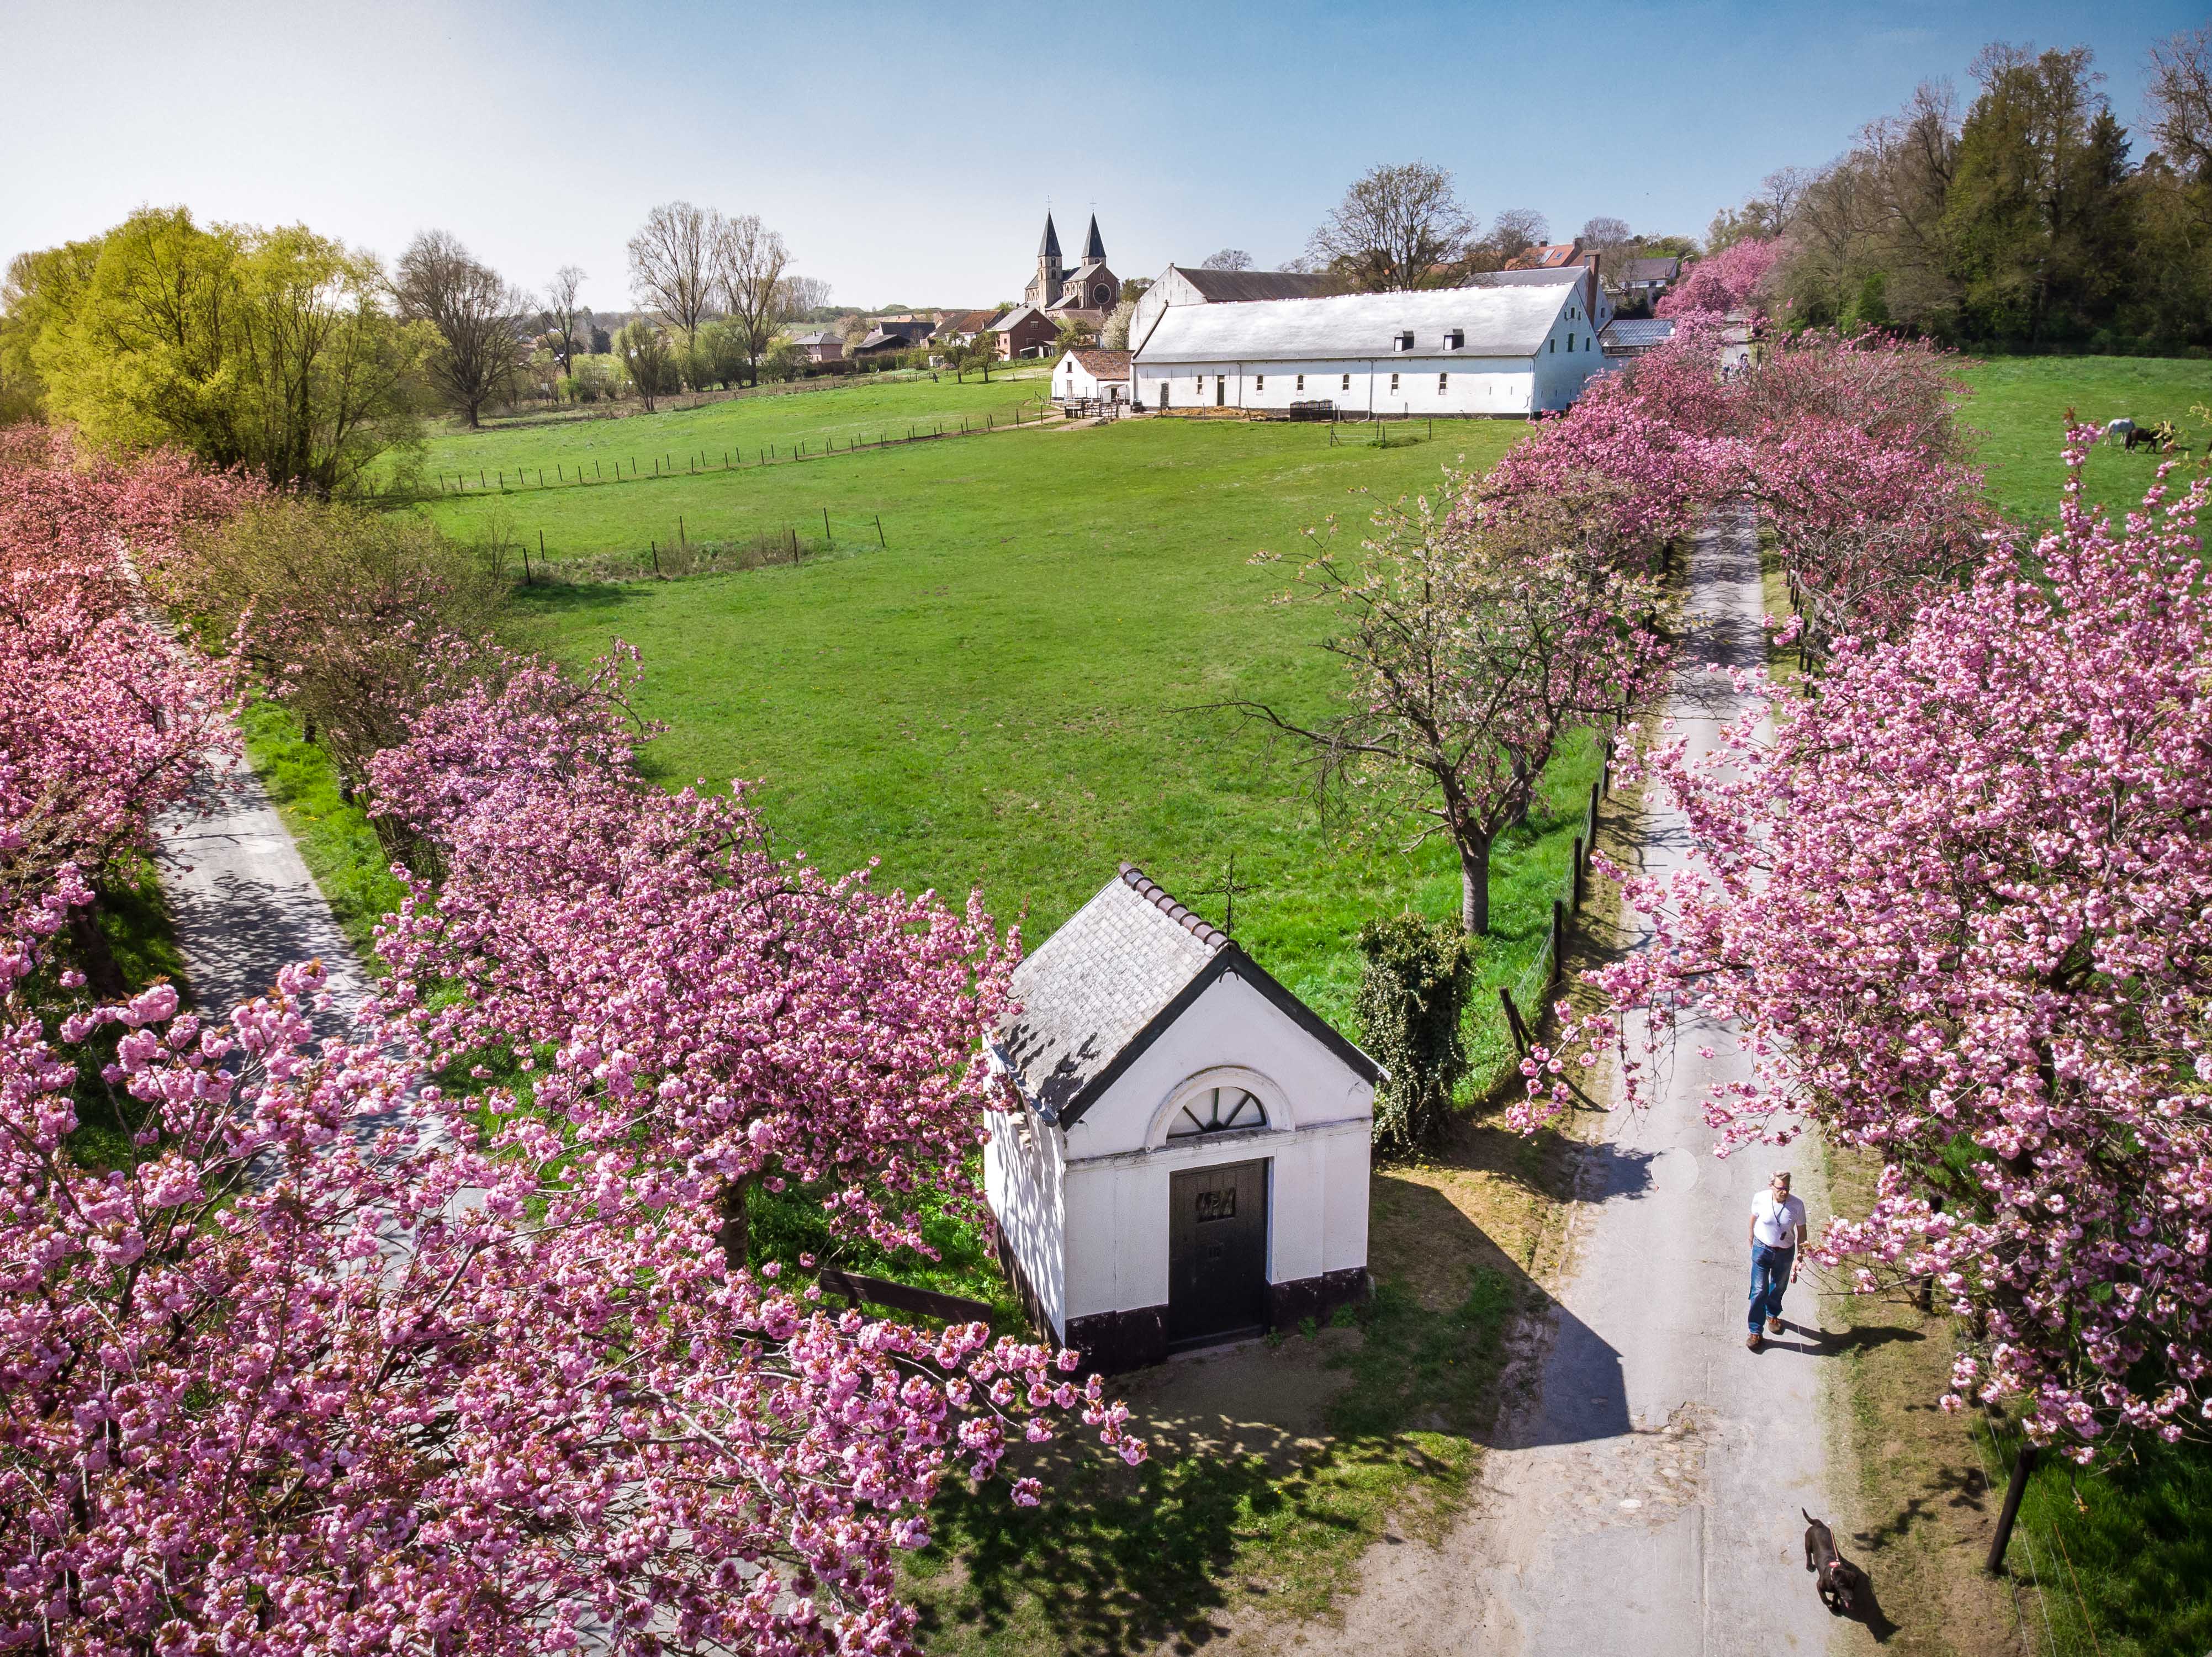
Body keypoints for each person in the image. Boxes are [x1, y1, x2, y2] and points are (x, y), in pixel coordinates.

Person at [1747, 1169, 1808, 1350]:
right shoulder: (1760, 1198)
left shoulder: (1797, 1205)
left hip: (1785, 1253)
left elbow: (1802, 1233)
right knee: (1759, 1290)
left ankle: (1772, 1313)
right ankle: (1755, 1331)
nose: (1785, 1192)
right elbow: (1753, 1218)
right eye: (1781, 1188)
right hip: (1762, 1249)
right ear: (1771, 1186)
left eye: (1787, 1188)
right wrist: (1751, 1237)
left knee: (1779, 1286)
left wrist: (1799, 1257)